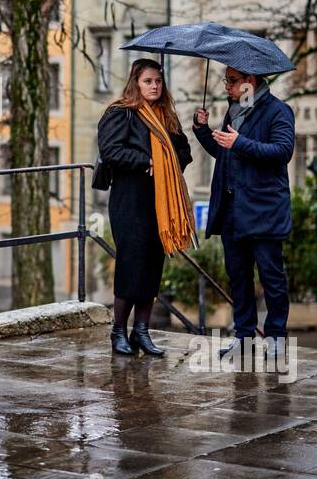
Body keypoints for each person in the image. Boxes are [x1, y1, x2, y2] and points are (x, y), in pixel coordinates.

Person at [192, 66, 295, 357]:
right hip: (232, 211)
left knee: (271, 276)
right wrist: (203, 130)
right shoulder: (234, 111)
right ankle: (244, 335)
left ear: (251, 81)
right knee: (238, 275)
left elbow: (282, 152)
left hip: (263, 210)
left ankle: (276, 336)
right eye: (226, 79)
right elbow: (227, 152)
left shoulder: (278, 111)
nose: (227, 86)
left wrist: (241, 142)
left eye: (233, 80)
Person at [95, 58, 195, 357]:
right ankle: (118, 331)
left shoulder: (166, 116)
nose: (154, 86)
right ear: (135, 83)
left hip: (161, 202)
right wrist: (147, 161)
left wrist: (169, 162)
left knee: (153, 264)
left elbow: (185, 153)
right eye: (148, 81)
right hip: (130, 200)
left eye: (158, 81)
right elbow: (111, 150)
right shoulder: (120, 112)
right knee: (132, 262)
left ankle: (141, 331)